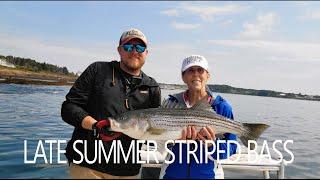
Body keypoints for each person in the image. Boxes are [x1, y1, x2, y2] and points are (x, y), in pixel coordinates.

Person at [61, 28, 161, 179]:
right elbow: (69, 108)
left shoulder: (152, 86)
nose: (134, 51)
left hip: (128, 171)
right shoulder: (98, 71)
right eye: (128, 46)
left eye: (140, 47)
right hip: (88, 167)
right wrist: (95, 125)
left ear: (146, 53)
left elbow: (155, 131)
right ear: (119, 50)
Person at [160, 55, 238, 179]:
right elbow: (159, 140)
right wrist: (173, 141)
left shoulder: (222, 107)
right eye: (190, 70)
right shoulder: (171, 104)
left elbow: (232, 147)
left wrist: (212, 145)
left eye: (200, 70)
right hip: (171, 175)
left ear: (208, 75)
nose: (196, 74)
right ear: (183, 77)